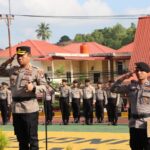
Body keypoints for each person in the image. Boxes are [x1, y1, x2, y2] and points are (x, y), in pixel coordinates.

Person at [0, 46, 46, 150]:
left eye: (22, 55)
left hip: (29, 108)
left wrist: (33, 88)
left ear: (29, 56)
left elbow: (45, 87)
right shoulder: (13, 70)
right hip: (16, 109)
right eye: (18, 56)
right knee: (21, 140)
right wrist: (8, 61)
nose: (19, 58)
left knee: (32, 139)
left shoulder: (36, 71)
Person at [111, 62, 150, 150]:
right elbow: (113, 89)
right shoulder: (131, 87)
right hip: (134, 123)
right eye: (137, 71)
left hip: (148, 124)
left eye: (141, 71)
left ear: (147, 72)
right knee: (135, 147)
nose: (139, 73)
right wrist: (124, 77)